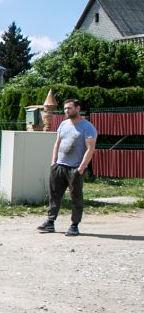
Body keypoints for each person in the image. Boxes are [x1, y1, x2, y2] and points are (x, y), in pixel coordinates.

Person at [37, 98, 97, 236]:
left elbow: (90, 148)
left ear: (77, 108)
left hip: (74, 168)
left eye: (69, 108)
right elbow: (57, 144)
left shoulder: (87, 127)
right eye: (65, 108)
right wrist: (54, 162)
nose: (66, 111)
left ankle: (74, 225)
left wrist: (81, 168)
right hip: (59, 166)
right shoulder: (63, 124)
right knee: (54, 195)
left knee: (76, 197)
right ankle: (50, 222)